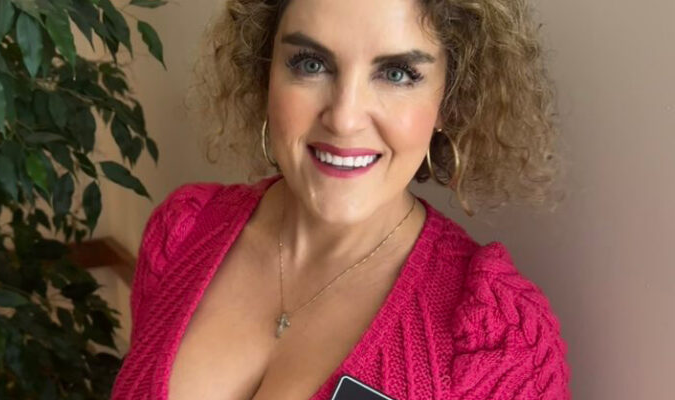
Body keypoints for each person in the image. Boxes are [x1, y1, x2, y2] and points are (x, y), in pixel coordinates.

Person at [111, 0, 571, 399]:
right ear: (266, 73)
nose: (345, 118)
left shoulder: (502, 342)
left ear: (449, 100)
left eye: (397, 74)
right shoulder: (182, 233)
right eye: (311, 64)